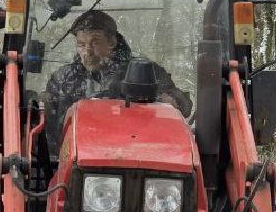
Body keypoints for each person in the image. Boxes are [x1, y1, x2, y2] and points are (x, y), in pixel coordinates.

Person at [43, 10, 192, 150]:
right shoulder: (62, 79)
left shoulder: (144, 71)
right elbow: (50, 131)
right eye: (81, 44)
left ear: (112, 43)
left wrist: (170, 102)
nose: (87, 52)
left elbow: (182, 105)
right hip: (75, 157)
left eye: (95, 42)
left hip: (134, 153)